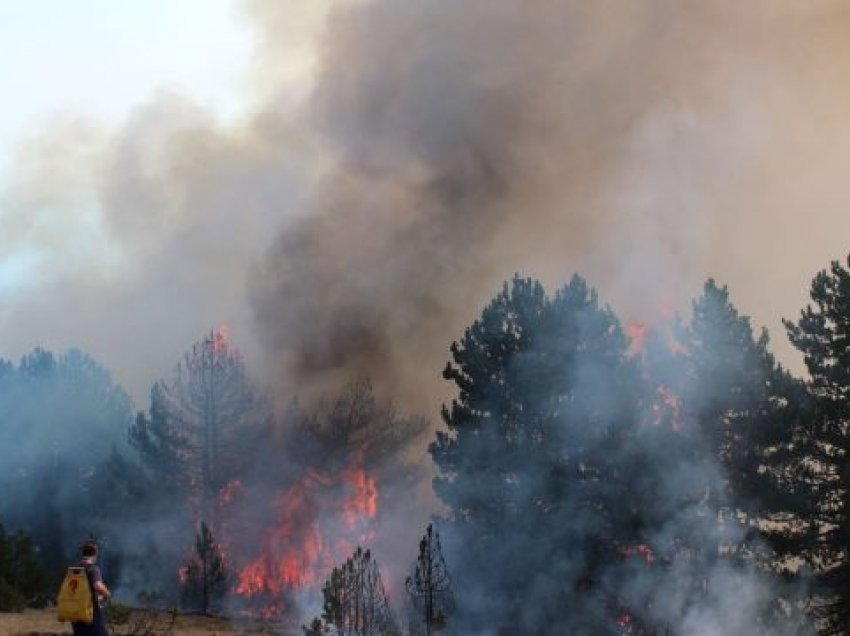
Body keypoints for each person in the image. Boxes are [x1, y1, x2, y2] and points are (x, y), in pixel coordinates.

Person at [71, 540, 111, 636]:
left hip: (76, 614)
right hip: (91, 614)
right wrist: (107, 594)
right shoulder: (93, 569)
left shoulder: (75, 569)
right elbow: (98, 586)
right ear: (95, 554)